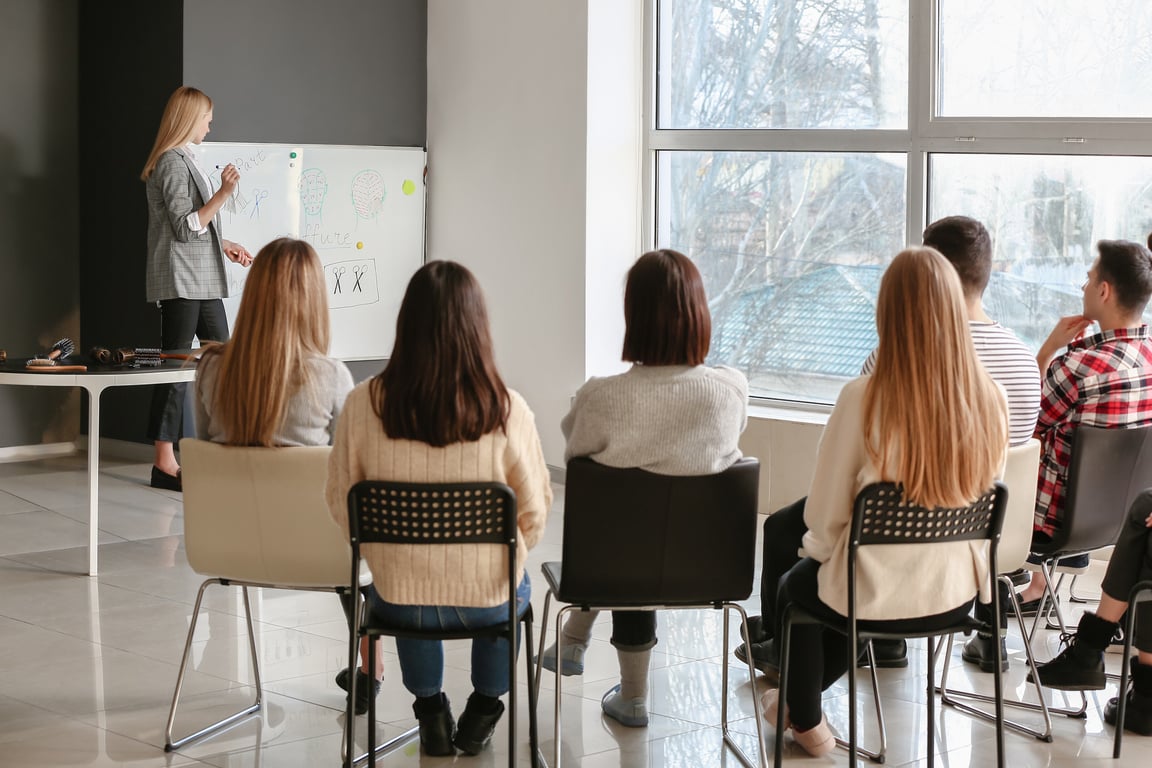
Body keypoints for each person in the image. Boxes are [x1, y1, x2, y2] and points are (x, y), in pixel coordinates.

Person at [737, 216, 1040, 674]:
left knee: (799, 557)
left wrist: (827, 553)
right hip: (969, 561)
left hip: (886, 552)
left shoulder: (881, 376)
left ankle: (792, 669)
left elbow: (833, 507)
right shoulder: (1016, 365)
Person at [761, 246, 1009, 756]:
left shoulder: (863, 397)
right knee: (831, 588)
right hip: (955, 594)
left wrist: (823, 555)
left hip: (872, 590)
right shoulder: (992, 399)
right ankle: (794, 705)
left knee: (797, 588)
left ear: (887, 312)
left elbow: (824, 518)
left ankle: (804, 718)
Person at [325, 260, 552, 757]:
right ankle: (486, 708)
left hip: (398, 597)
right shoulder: (507, 409)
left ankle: (428, 710)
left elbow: (342, 505)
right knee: (512, 584)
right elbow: (534, 513)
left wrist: (394, 550)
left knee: (409, 579)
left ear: (406, 324)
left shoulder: (363, 405)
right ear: (478, 328)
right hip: (488, 598)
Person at [539, 248, 748, 728]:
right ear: (700, 313)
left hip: (613, 566)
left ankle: (595, 656)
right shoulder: (730, 391)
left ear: (633, 315)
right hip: (707, 568)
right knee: (646, 527)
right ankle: (610, 672)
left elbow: (576, 452)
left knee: (623, 525)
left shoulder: (601, 396)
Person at [190, 237, 367, 710]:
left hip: (228, 551)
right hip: (317, 556)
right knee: (357, 540)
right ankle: (372, 665)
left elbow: (208, 454)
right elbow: (352, 472)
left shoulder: (209, 369)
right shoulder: (331, 376)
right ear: (314, 300)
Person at [1014, 239, 1152, 618]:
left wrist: (1047, 351)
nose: (1083, 286)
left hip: (1056, 523)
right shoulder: (1149, 356)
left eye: (1089, 279)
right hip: (1125, 521)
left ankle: (989, 629)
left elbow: (1024, 427)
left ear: (1104, 291)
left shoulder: (1078, 367)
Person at [141, 85, 253, 492]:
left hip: (200, 279)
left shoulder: (186, 159)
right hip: (182, 281)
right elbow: (185, 228)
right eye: (207, 116)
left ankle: (220, 451)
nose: (210, 123)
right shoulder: (172, 163)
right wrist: (224, 194)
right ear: (189, 118)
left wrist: (225, 245)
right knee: (174, 367)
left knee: (219, 362)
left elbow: (193, 228)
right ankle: (163, 463)